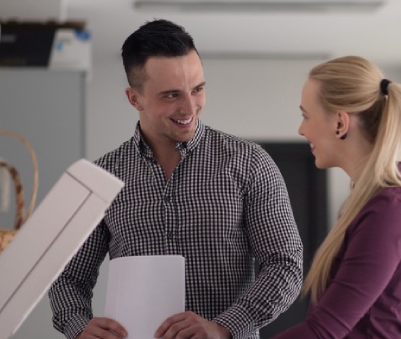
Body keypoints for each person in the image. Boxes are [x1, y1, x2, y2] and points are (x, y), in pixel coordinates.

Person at [48, 19, 303, 339]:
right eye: (171, 95)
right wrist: (79, 325)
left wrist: (224, 326)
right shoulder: (103, 178)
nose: (189, 107)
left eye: (197, 89)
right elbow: (67, 277)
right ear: (134, 98)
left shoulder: (249, 163)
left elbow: (285, 265)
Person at [274, 56, 401, 338]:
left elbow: (323, 331)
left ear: (340, 123)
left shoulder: (390, 211)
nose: (302, 130)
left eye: (306, 116)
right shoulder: (370, 205)